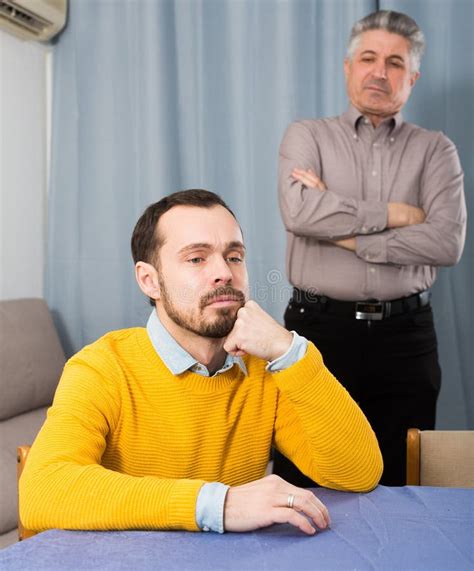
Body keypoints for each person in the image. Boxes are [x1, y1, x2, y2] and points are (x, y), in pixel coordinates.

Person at [20, 189, 382, 535]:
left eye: (234, 256)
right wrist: (219, 505)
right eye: (197, 258)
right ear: (150, 281)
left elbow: (358, 473)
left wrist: (292, 353)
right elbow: (43, 490)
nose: (224, 272)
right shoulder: (102, 367)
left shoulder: (267, 369)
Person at [277, 10, 466, 487]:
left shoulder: (436, 150)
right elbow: (299, 215)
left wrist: (347, 234)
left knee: (402, 479)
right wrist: (399, 214)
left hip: (406, 336)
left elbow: (447, 241)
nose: (380, 72)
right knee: (305, 477)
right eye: (368, 58)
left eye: (395, 62)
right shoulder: (308, 137)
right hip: (317, 331)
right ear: (347, 68)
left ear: (413, 77)